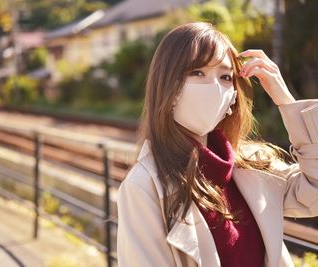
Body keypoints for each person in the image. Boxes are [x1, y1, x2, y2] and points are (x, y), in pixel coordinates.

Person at [116, 22, 318, 267]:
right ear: (168, 86)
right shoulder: (144, 186)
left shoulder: (252, 166)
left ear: (233, 96)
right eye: (197, 72)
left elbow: (313, 192)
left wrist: (286, 103)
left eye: (225, 77)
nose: (214, 86)